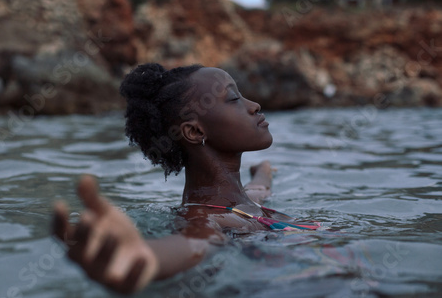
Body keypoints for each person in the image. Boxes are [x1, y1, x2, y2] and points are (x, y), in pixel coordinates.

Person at [52, 63, 319, 294]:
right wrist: (141, 257)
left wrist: (264, 169)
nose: (254, 105)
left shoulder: (243, 202)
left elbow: (260, 187)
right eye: (234, 99)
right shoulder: (208, 217)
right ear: (193, 131)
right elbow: (196, 242)